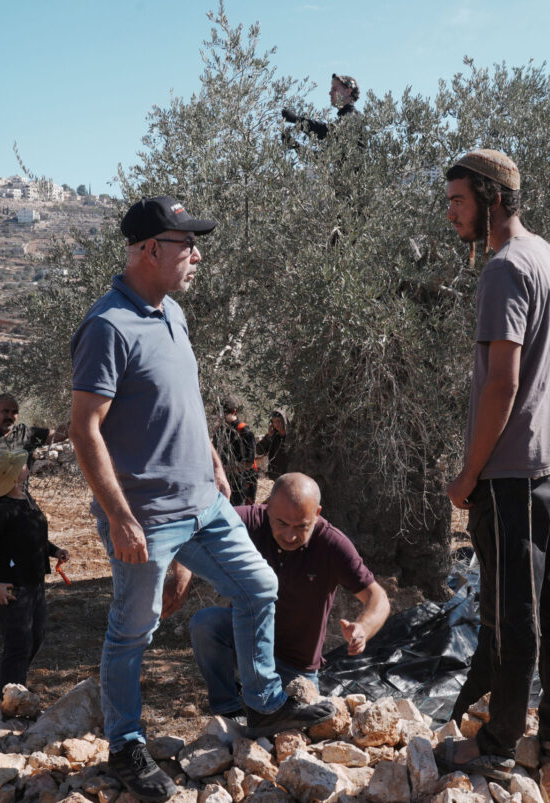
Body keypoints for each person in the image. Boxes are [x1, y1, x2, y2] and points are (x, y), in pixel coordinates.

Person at [69, 196, 334, 802]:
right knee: (133, 632)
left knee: (259, 586)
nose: (197, 255)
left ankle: (262, 701)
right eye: (186, 244)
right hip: (146, 518)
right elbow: (85, 429)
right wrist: (119, 517)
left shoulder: (173, 313)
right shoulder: (108, 326)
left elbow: (180, 400)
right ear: (149, 249)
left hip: (204, 504)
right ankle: (125, 744)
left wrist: (213, 458)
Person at [441, 149, 550, 777]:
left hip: (509, 473)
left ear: (491, 199)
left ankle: (497, 743)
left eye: (459, 200)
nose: (451, 213)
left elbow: (502, 383)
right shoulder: (547, 256)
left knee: (512, 611)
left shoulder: (504, 268)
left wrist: (468, 474)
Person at [164, 472, 390, 718]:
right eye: (281, 523)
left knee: (304, 725)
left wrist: (363, 628)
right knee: (206, 624)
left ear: (317, 514)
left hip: (296, 669)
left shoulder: (332, 545)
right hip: (247, 645)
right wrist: (181, 577)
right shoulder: (248, 521)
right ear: (268, 506)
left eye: (301, 526)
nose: (290, 536)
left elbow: (378, 598)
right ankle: (228, 709)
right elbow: (193, 530)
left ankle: (262, 703)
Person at [0, 449, 68, 692]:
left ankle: (15, 688)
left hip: (34, 584)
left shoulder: (25, 498)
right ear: (12, 477)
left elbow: (31, 536)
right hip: (13, 589)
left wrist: (54, 551)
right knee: (18, 645)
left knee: (35, 638)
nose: (26, 465)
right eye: (20, 465)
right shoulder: (2, 511)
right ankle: (9, 698)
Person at [0, 393, 58, 637]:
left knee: (18, 561)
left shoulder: (24, 434)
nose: (10, 416)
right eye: (5, 411)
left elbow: (59, 434)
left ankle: (18, 612)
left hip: (18, 509)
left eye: (14, 412)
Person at [282, 73, 361, 141]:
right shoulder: (345, 118)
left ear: (348, 91)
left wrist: (296, 119)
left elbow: (328, 131)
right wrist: (295, 145)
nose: (330, 93)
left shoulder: (353, 116)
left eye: (335, 89)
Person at [213, 396, 258, 506]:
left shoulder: (244, 431)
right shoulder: (219, 431)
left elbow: (248, 463)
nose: (221, 417)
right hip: (224, 482)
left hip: (242, 484)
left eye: (225, 414)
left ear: (234, 412)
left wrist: (224, 469)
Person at [255, 409, 293, 480]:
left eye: (278, 421)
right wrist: (268, 437)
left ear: (284, 421)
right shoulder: (273, 436)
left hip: (290, 476)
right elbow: (259, 451)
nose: (276, 424)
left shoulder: (292, 437)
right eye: (274, 421)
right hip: (275, 477)